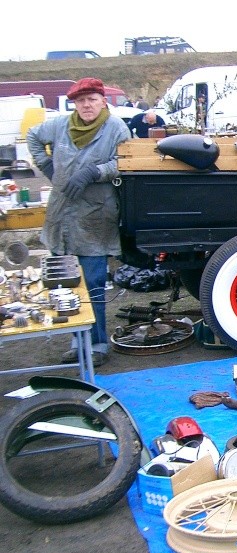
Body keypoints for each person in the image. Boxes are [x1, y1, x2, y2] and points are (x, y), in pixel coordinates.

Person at [27, 77, 132, 367]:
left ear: (102, 101)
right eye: (81, 100)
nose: (87, 105)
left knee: (94, 281)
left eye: (92, 100)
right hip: (62, 213)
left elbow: (124, 162)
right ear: (74, 103)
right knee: (64, 282)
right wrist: (48, 167)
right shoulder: (60, 124)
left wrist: (93, 173)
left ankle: (97, 343)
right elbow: (33, 136)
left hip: (94, 217)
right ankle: (77, 341)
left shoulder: (116, 129)